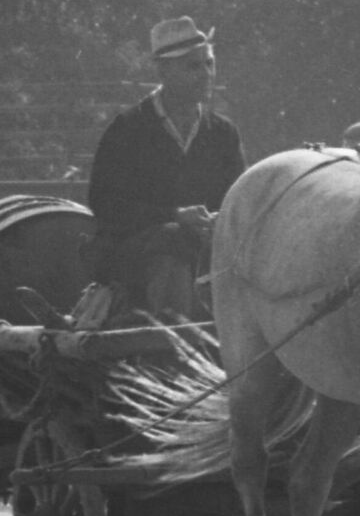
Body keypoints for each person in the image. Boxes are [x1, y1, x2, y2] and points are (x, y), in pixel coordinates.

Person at [86, 16, 246, 319]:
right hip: (132, 254)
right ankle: (173, 344)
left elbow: (237, 198)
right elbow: (104, 203)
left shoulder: (223, 133)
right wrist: (173, 216)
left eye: (208, 64)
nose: (205, 74)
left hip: (204, 250)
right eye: (193, 66)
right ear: (162, 71)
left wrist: (218, 221)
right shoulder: (128, 129)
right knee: (173, 239)